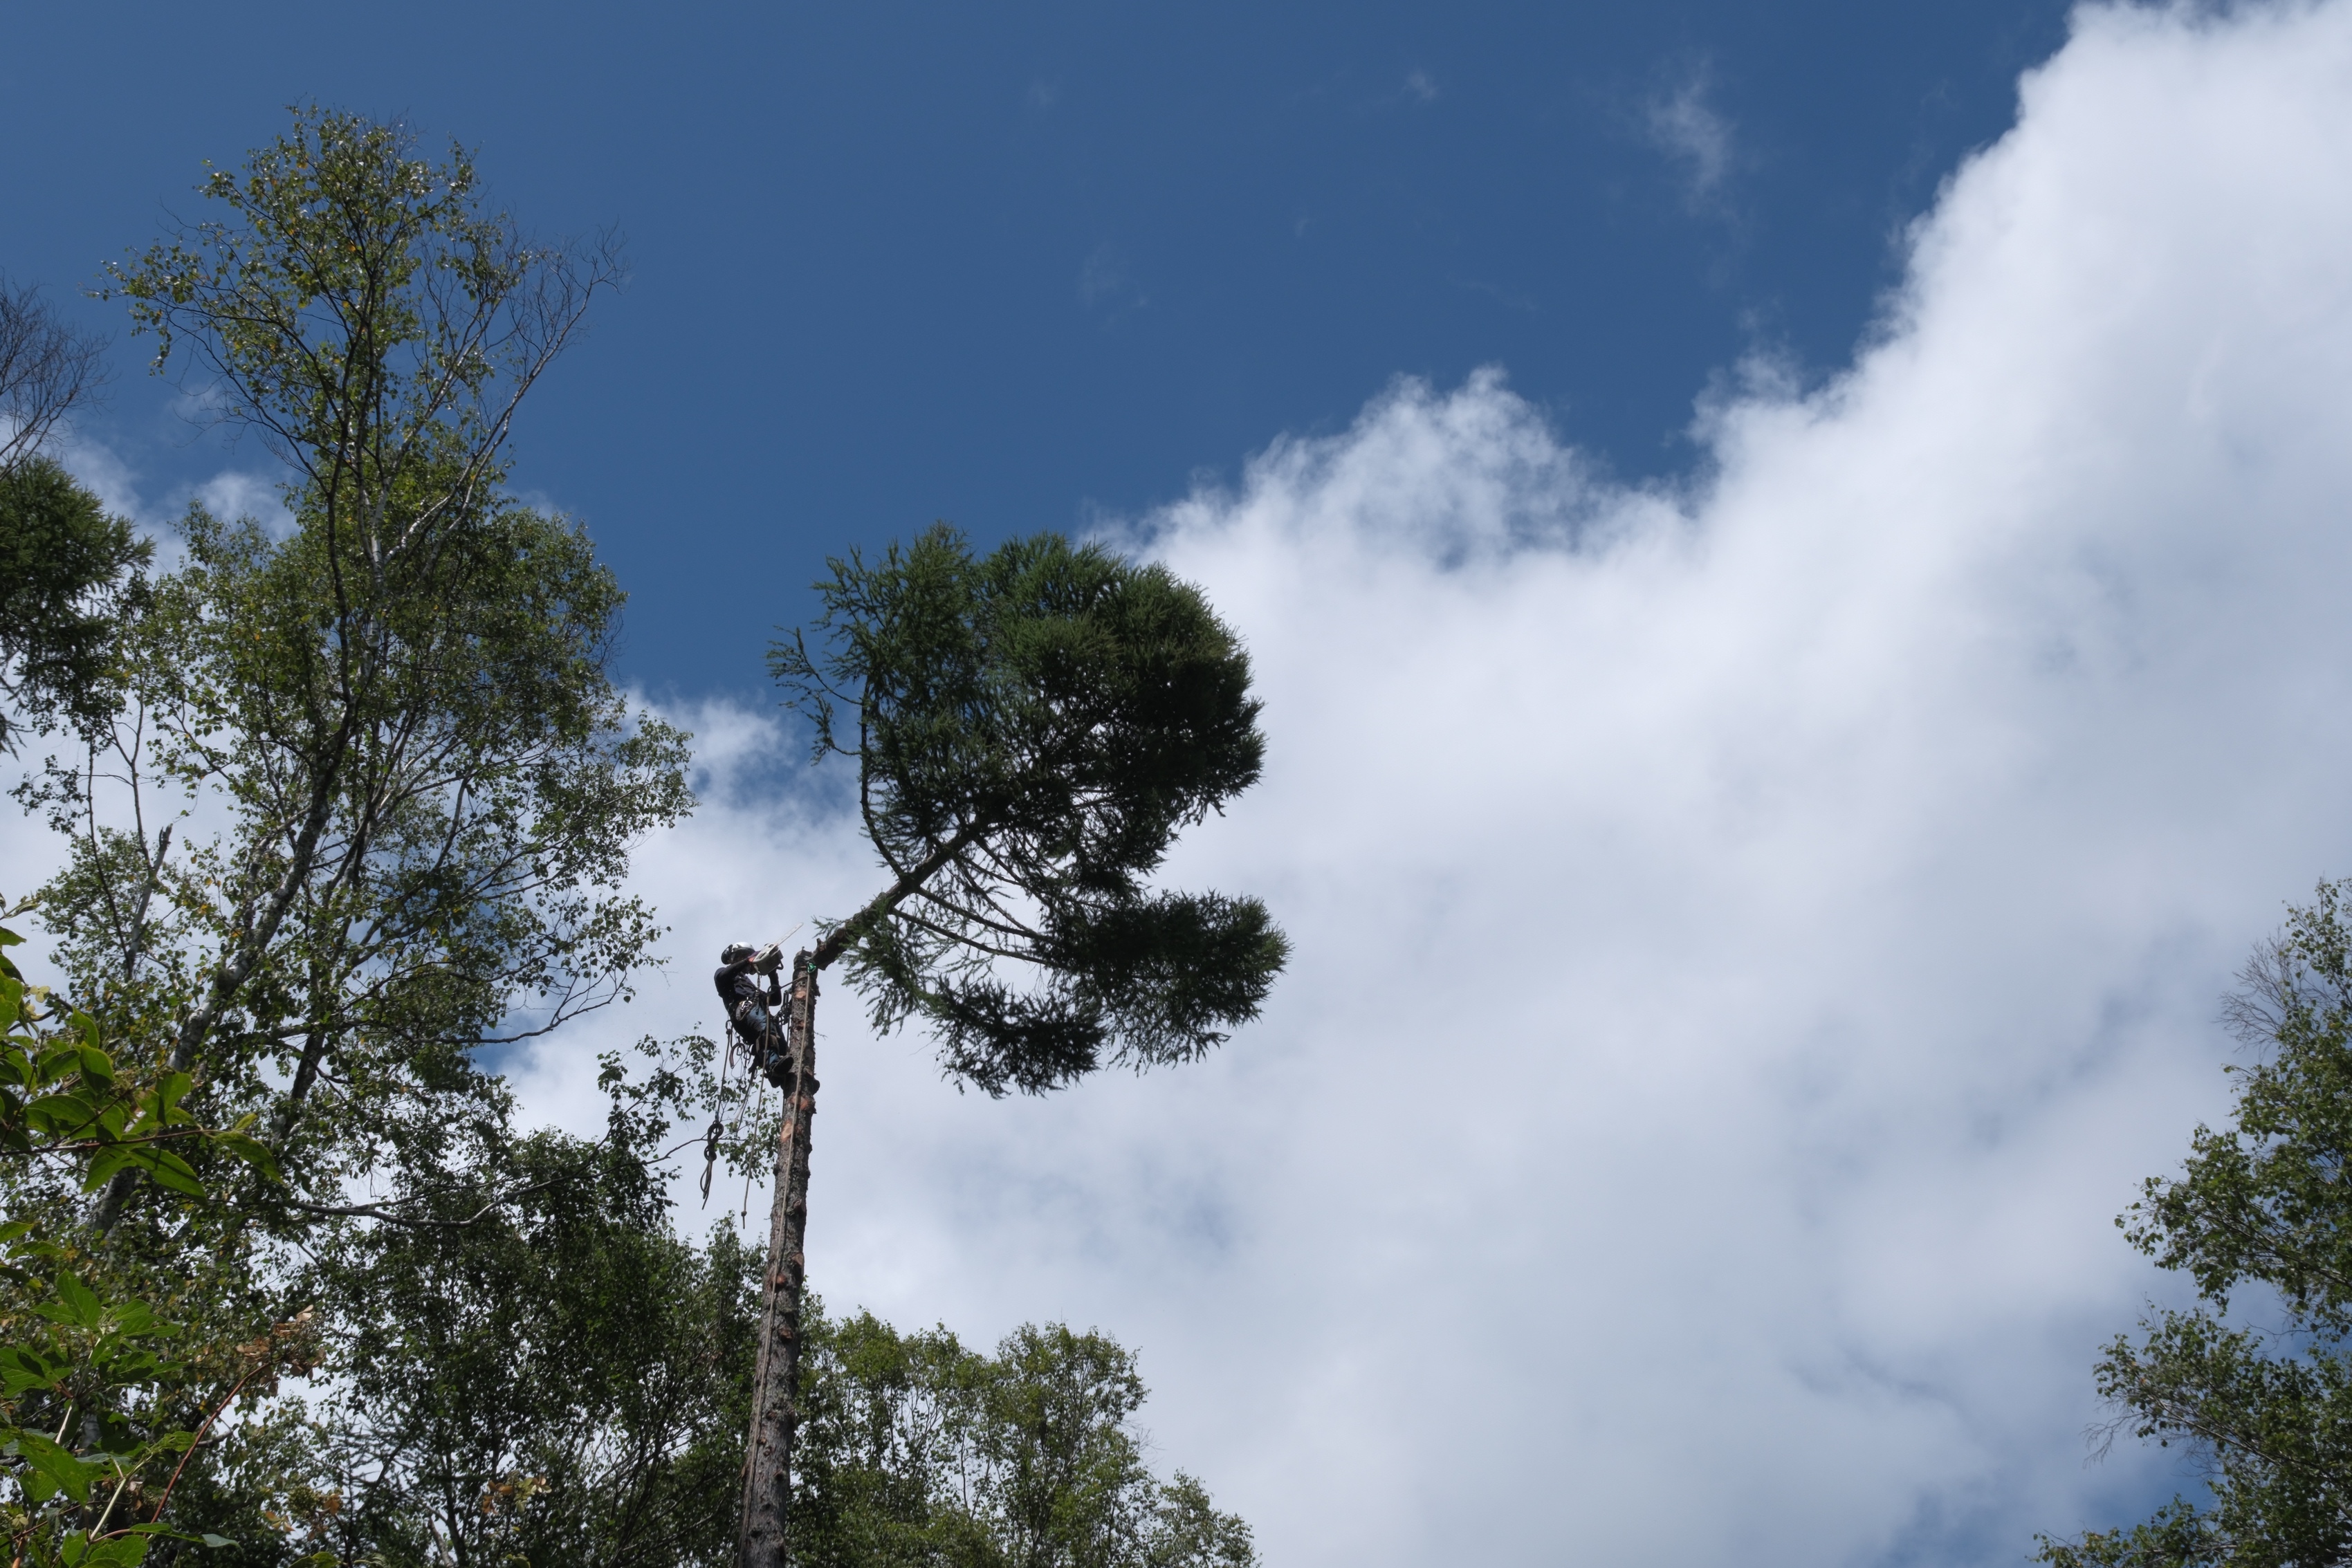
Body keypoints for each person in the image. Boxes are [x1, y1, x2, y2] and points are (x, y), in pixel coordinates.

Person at [715, 940, 787, 1084]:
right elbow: (723, 977)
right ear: (735, 958)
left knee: (782, 1046)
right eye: (742, 956)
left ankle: (782, 1075)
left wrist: (773, 974)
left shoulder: (751, 988)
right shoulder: (725, 975)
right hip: (744, 1010)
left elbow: (775, 1000)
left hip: (758, 1013)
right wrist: (748, 960)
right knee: (765, 1028)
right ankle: (773, 1065)